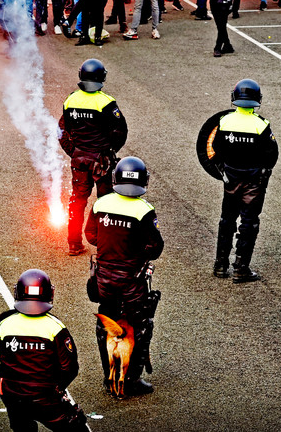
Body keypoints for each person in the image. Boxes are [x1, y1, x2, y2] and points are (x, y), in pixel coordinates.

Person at [84, 156, 163, 399]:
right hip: (132, 281)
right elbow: (156, 248)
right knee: (140, 326)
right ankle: (131, 381)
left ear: (116, 178)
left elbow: (90, 235)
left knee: (106, 324)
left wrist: (111, 246)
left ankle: (109, 377)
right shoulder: (144, 210)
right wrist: (134, 251)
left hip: (104, 279)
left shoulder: (101, 204)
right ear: (142, 180)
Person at [0, 269, 89, 432]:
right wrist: (55, 388)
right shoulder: (55, 327)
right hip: (46, 399)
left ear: (18, 292)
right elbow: (70, 368)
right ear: (49, 294)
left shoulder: (4, 325)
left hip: (13, 399)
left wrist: (4, 386)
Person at [196, 80, 278, 283]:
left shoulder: (224, 122)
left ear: (235, 98)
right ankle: (241, 268)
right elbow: (271, 155)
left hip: (230, 181)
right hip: (253, 183)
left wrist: (224, 170)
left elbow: (214, 149)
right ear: (257, 100)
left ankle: (220, 265)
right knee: (249, 223)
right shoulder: (262, 125)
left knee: (227, 220)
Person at [58, 59, 127, 256]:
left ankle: (74, 243)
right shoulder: (106, 102)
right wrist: (109, 151)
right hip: (102, 161)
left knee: (77, 200)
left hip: (79, 160)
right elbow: (120, 131)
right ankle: (103, 242)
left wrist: (74, 152)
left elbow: (62, 131)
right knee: (106, 201)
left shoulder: (70, 100)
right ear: (101, 77)